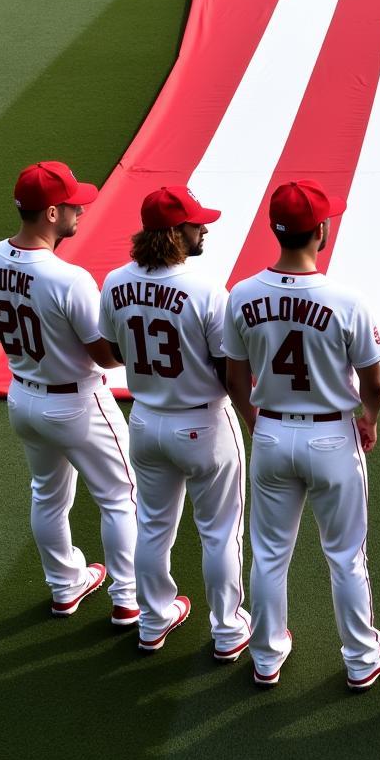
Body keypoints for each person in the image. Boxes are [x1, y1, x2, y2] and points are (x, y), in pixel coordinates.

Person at [223, 180, 380, 689]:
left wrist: (258, 424)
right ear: (319, 231)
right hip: (331, 440)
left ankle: (265, 656)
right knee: (345, 556)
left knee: (269, 554)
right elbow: (372, 382)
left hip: (273, 434)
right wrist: (369, 418)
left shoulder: (243, 294)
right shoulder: (346, 300)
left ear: (274, 229)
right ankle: (362, 657)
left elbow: (236, 380)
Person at [0, 162, 137, 624]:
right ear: (51, 213)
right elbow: (105, 357)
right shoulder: (69, 279)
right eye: (73, 205)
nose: (80, 209)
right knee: (120, 495)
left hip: (23, 396)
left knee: (47, 494)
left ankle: (66, 586)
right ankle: (127, 598)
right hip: (78, 401)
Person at [99, 186, 250, 657]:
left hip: (144, 420)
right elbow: (230, 368)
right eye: (195, 223)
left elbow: (110, 353)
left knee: (153, 526)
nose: (203, 228)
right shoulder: (205, 289)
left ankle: (153, 620)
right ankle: (227, 630)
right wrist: (253, 418)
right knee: (221, 532)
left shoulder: (114, 281)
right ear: (174, 232)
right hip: (203, 423)